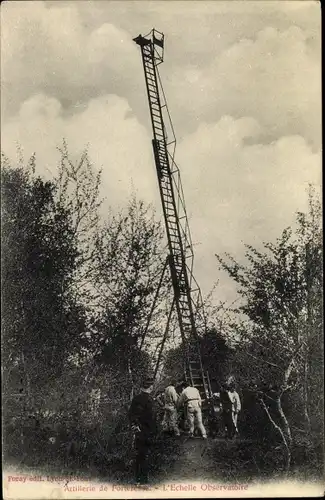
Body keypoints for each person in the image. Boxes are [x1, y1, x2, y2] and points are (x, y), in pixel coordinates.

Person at [128, 378, 157, 484]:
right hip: (146, 430)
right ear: (151, 387)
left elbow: (131, 414)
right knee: (144, 454)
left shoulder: (136, 399)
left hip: (138, 430)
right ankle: (143, 480)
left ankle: (138, 479)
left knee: (139, 454)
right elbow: (151, 417)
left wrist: (134, 426)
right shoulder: (150, 400)